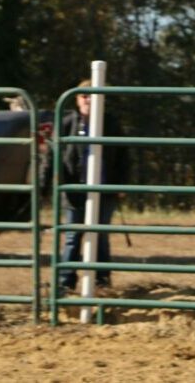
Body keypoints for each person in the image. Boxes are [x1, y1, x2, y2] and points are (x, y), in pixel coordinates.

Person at [43, 80, 127, 292]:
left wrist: (121, 185)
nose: (88, 99)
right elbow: (51, 156)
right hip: (74, 192)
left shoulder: (111, 124)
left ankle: (102, 284)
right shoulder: (67, 123)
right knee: (72, 236)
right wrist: (43, 185)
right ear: (77, 99)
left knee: (100, 236)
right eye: (84, 95)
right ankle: (65, 285)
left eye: (93, 95)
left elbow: (124, 156)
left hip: (104, 191)